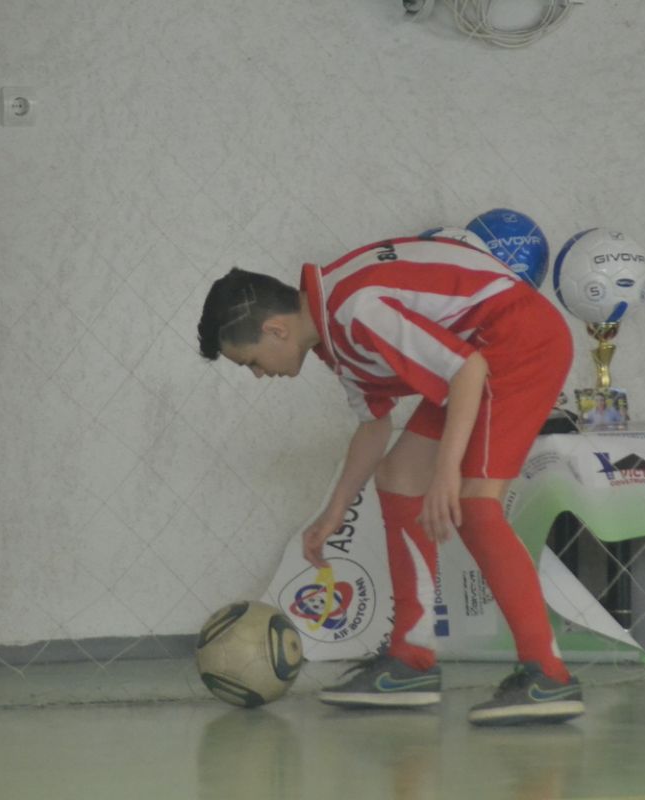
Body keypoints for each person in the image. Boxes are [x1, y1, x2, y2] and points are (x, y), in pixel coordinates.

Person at [196, 236, 584, 725]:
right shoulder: (331, 332)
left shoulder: (357, 312)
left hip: (519, 341)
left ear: (276, 330)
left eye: (250, 362)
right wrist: (334, 511)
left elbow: (468, 371)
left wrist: (447, 472)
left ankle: (548, 675)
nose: (257, 375)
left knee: (474, 504)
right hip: (481, 351)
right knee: (399, 475)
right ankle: (410, 659)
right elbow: (374, 425)